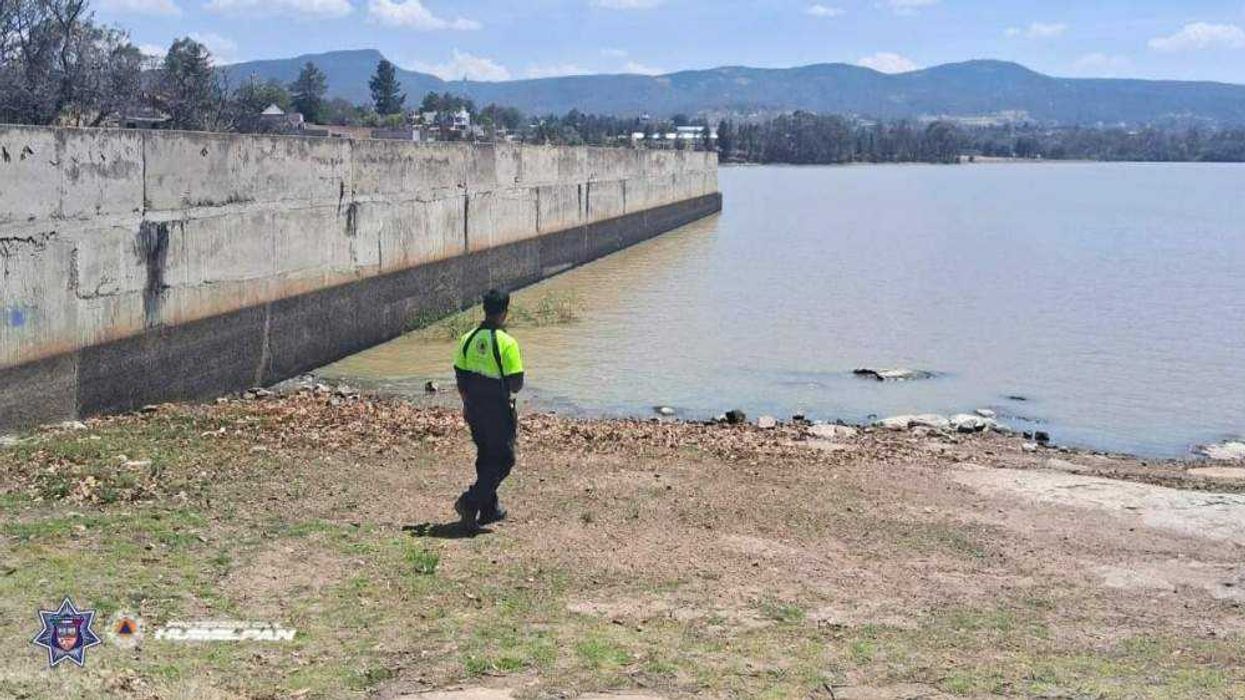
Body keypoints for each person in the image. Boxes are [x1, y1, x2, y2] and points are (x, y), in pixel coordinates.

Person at [452, 289, 525, 530]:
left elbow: (460, 378)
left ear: (485, 309)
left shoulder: (467, 339)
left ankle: (489, 509)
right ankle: (470, 502)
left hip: (473, 408)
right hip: (497, 410)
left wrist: (467, 405)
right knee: (504, 459)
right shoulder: (507, 343)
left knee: (485, 454)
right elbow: (516, 384)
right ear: (505, 312)